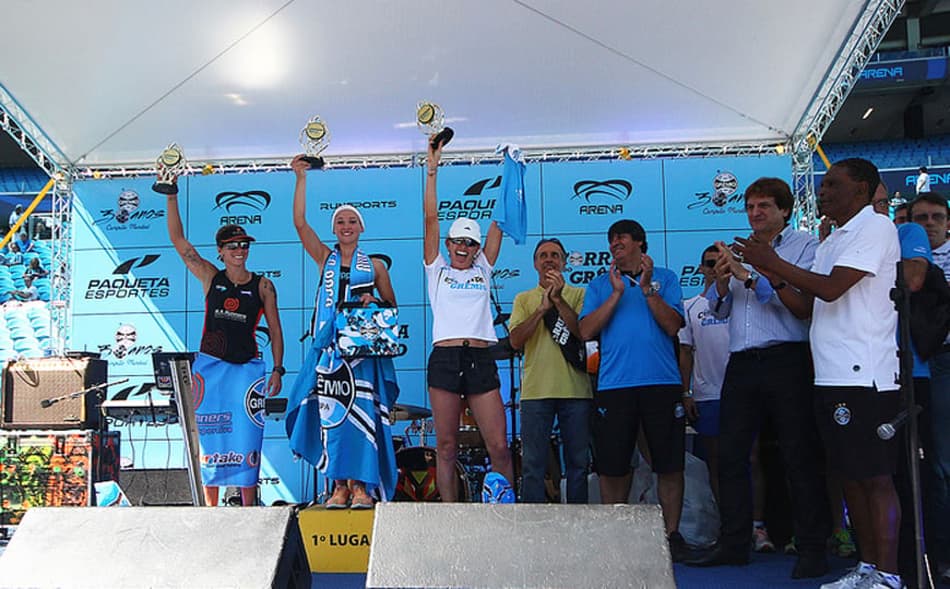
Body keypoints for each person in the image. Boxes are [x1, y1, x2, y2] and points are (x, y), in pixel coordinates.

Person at [737, 159, 903, 589]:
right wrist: (771, 275)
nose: (823, 191)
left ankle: (889, 573)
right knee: (848, 474)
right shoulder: (830, 242)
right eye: (823, 185)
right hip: (828, 374)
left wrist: (772, 261)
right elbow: (808, 305)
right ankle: (867, 568)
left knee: (875, 476)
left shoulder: (875, 227)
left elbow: (831, 288)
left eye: (833, 184)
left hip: (865, 372)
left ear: (863, 190)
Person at [686, 178, 830, 579]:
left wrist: (751, 275)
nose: (755, 213)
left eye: (764, 206)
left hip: (787, 357)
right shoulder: (738, 249)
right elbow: (720, 309)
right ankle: (734, 543)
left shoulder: (804, 246)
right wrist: (719, 280)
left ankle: (812, 546)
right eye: (750, 207)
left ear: (784, 210)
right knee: (730, 455)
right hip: (742, 362)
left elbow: (799, 305)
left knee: (798, 455)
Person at [285, 154, 400, 509]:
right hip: (331, 352)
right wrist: (301, 179)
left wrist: (371, 300)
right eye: (340, 222)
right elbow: (301, 223)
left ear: (361, 228)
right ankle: (338, 487)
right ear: (334, 230)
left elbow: (391, 306)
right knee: (331, 416)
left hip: (362, 353)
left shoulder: (376, 265)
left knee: (361, 418)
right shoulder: (324, 258)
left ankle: (362, 487)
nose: (346, 226)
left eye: (352, 221)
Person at [164, 182, 285, 507]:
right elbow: (179, 242)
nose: (239, 250)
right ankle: (210, 511)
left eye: (244, 244)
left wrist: (277, 369)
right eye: (232, 245)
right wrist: (172, 196)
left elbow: (275, 329)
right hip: (211, 367)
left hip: (247, 369)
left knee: (247, 438)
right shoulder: (210, 276)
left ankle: (249, 508)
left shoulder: (263, 285)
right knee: (212, 438)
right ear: (220, 250)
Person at [577, 219, 689, 560]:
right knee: (612, 465)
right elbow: (585, 331)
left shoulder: (665, 279)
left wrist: (646, 288)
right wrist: (616, 294)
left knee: (668, 463)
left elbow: (673, 326)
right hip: (615, 385)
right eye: (611, 240)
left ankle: (671, 535)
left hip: (661, 382)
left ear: (641, 243)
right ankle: (617, 534)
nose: (615, 245)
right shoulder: (599, 285)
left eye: (622, 239)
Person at [423, 137, 514, 502]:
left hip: (479, 358)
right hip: (445, 360)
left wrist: (511, 172)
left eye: (470, 242)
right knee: (445, 446)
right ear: (448, 243)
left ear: (478, 248)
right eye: (457, 241)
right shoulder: (437, 269)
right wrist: (432, 170)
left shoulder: (484, 269)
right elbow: (430, 217)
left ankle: (504, 514)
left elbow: (499, 221)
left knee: (499, 446)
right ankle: (449, 520)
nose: (463, 247)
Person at [874, 182, 936, 586]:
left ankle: (922, 566)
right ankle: (883, 566)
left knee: (920, 474)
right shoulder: (838, 240)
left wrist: (863, 266)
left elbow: (912, 280)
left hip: (910, 373)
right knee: (877, 476)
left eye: (879, 203)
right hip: (866, 375)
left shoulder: (905, 233)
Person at [509, 237, 592, 504]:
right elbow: (515, 341)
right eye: (543, 255)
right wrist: (541, 309)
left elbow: (582, 331)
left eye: (555, 255)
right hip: (536, 392)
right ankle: (532, 525)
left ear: (565, 263)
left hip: (576, 390)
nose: (549, 259)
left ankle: (578, 521)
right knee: (533, 465)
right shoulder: (523, 299)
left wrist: (557, 301)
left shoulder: (579, 294)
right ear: (534, 264)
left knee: (578, 464)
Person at [909, 191, 950, 581]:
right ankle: (940, 554)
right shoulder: (901, 258)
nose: (929, 223)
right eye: (920, 217)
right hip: (921, 365)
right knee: (936, 464)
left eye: (937, 216)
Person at [678, 245, 728, 504]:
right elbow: (685, 353)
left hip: (744, 393)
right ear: (701, 269)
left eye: (721, 262)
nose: (715, 269)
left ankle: (757, 525)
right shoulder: (689, 306)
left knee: (752, 460)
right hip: (707, 395)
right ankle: (723, 522)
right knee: (715, 462)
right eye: (710, 264)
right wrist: (686, 393)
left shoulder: (744, 304)